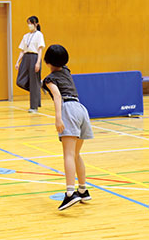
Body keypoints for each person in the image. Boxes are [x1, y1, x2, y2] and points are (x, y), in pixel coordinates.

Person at [42, 44, 93, 211]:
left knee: (68, 155)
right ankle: (83, 190)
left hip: (68, 110)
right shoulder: (66, 71)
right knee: (77, 154)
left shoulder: (49, 79)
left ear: (47, 61)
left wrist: (58, 118)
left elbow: (57, 96)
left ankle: (71, 194)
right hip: (81, 110)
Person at [16, 16, 45, 113]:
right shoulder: (26, 36)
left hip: (34, 57)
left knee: (33, 82)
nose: (29, 25)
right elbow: (22, 50)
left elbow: (40, 49)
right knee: (19, 81)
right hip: (26, 58)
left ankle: (34, 107)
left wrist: (38, 62)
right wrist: (17, 62)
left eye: (31, 23)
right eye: (28, 23)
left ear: (36, 24)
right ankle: (38, 86)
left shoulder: (39, 35)